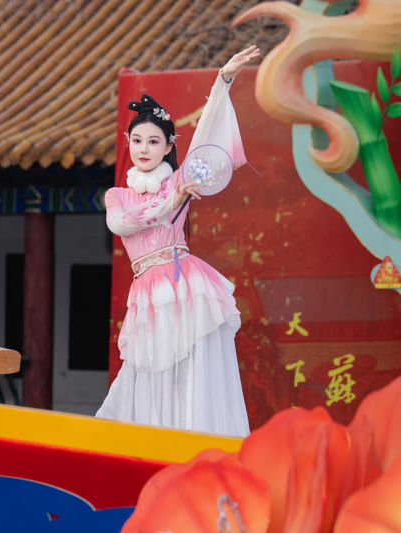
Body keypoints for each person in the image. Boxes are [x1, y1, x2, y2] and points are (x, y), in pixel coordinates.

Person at [95, 46, 261, 437]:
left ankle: (195, 452)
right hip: (147, 295)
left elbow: (206, 134)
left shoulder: (179, 179)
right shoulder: (118, 195)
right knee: (149, 374)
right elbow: (121, 225)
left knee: (192, 376)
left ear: (169, 146)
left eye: (154, 142)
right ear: (128, 143)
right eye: (138, 141)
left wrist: (223, 80)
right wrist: (172, 201)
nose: (144, 149)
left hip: (184, 285)